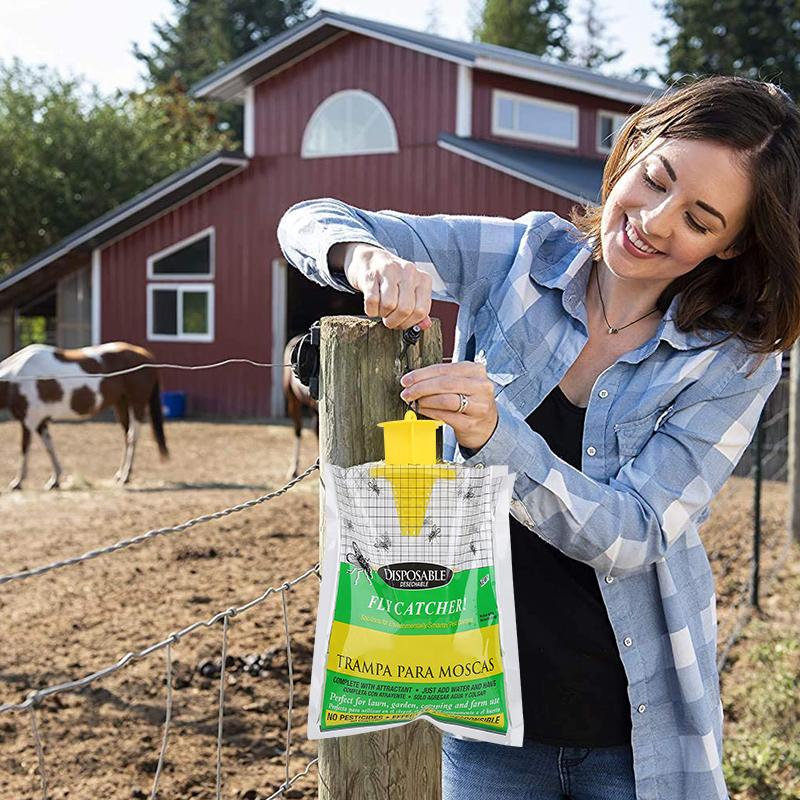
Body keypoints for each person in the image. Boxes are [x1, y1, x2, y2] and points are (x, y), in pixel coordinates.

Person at [277, 75, 800, 800]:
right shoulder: (518, 260)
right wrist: (366, 260)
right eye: (655, 180)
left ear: (732, 245)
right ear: (635, 147)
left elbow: (635, 532)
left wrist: (498, 439)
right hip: (486, 722)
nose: (653, 220)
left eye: (699, 218)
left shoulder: (732, 362)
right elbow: (308, 218)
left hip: (634, 733)